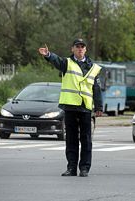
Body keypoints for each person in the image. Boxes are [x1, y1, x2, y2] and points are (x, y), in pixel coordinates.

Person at [38, 38, 103, 177]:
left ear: (85, 49)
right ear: (72, 49)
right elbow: (57, 61)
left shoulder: (93, 67)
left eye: (82, 47)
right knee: (71, 140)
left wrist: (99, 107)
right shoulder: (67, 63)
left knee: (86, 140)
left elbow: (96, 88)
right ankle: (71, 168)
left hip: (85, 108)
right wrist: (48, 55)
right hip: (70, 107)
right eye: (77, 46)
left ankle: (84, 168)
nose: (80, 49)